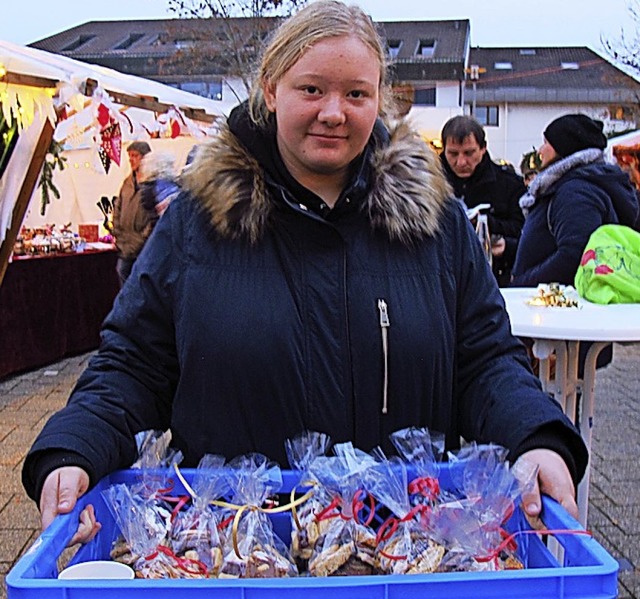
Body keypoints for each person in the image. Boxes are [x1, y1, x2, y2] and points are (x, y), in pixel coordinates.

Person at [23, 0, 587, 545]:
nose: (333, 112)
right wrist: (77, 445)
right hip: (236, 553)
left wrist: (532, 434)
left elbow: (486, 357)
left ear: (379, 101)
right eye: (311, 89)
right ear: (271, 90)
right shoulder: (197, 222)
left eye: (356, 93)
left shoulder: (434, 221)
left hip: (402, 553)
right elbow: (133, 364)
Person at [511, 113, 639, 287]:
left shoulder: (575, 192)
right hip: (555, 305)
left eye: (547, 143)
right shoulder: (573, 184)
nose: (541, 150)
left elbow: (574, 255)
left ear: (564, 148)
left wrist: (521, 283)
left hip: (560, 307)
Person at [440, 115, 526, 287]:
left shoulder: (508, 184)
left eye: (469, 153)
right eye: (453, 154)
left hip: (494, 278)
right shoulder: (428, 183)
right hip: (442, 277)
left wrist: (503, 243)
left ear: (483, 148)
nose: (461, 162)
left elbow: (524, 232)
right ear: (444, 150)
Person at [112, 140, 155, 286]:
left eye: (135, 155)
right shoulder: (127, 184)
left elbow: (154, 219)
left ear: (145, 158)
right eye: (129, 156)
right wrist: (118, 233)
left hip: (144, 247)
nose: (131, 159)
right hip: (125, 245)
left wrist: (141, 240)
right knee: (122, 274)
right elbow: (117, 209)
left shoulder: (152, 184)